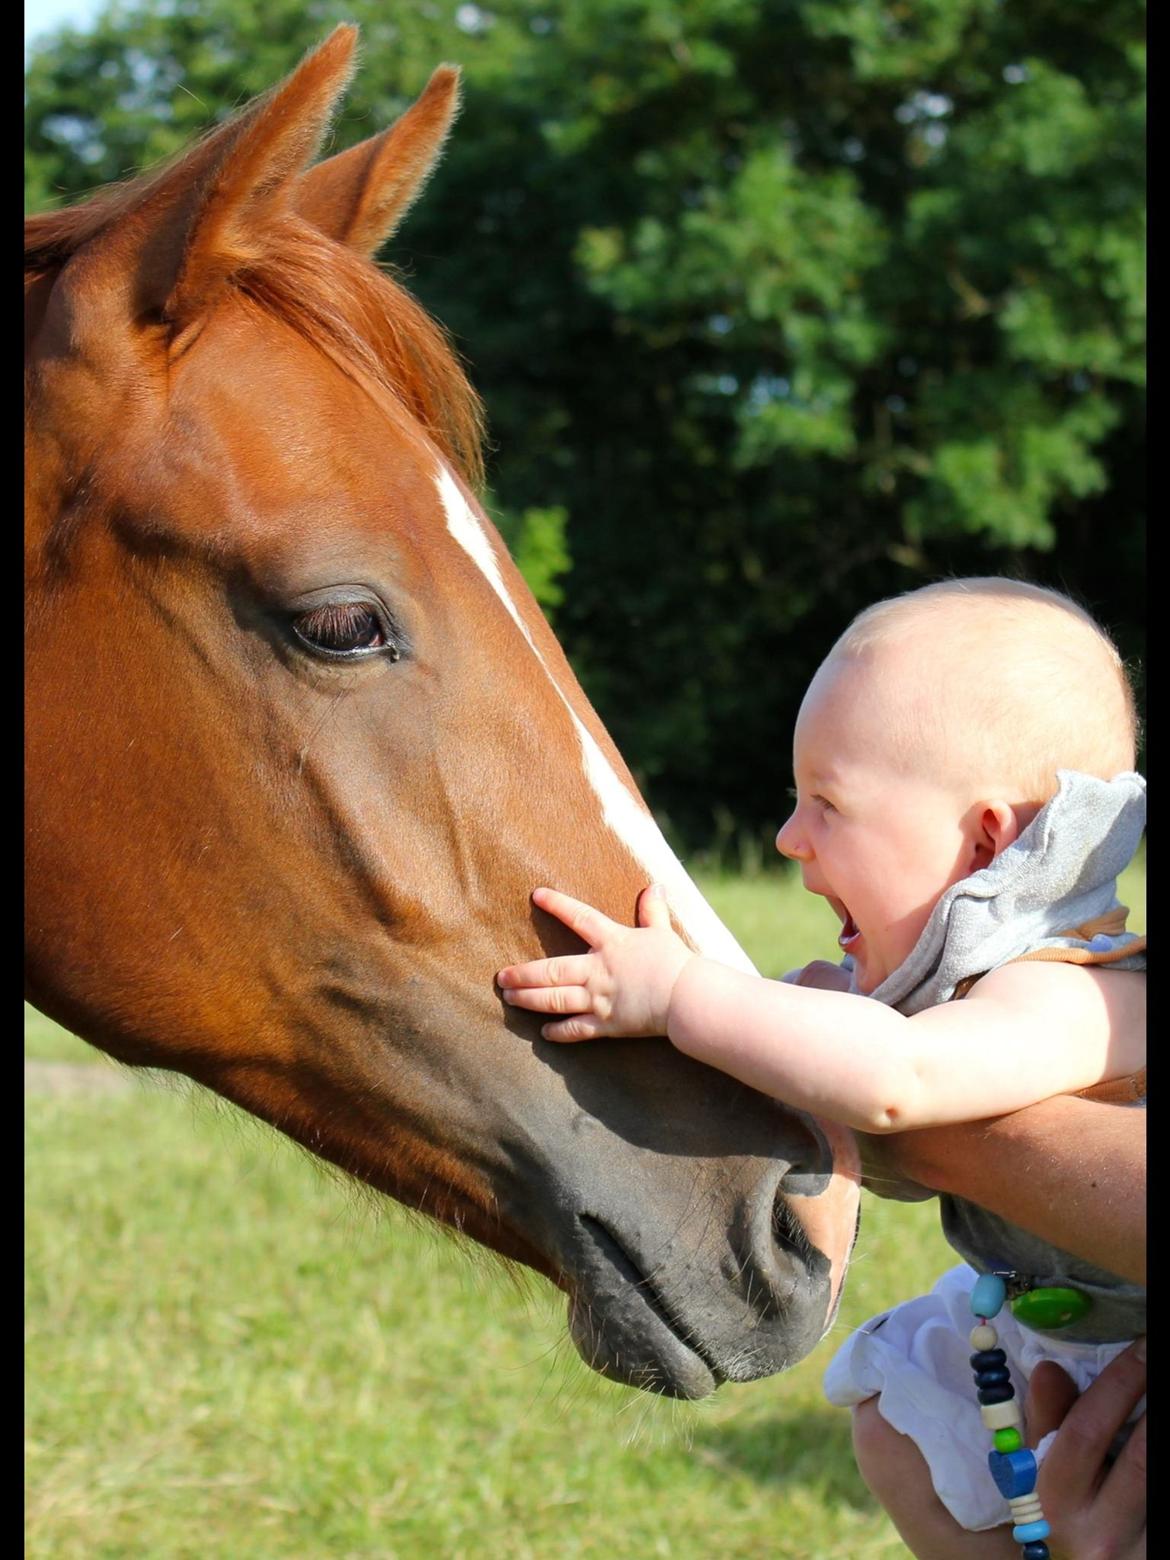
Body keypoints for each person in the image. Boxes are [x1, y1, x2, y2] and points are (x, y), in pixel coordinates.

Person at [495, 577, 1146, 1556]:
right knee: (890, 1423)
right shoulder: (939, 981)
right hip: (1040, 1336)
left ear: (985, 839)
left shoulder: (1076, 992)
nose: (789, 838)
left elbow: (898, 1080)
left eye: (826, 803)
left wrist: (681, 998)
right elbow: (838, 1037)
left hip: (1130, 1358)